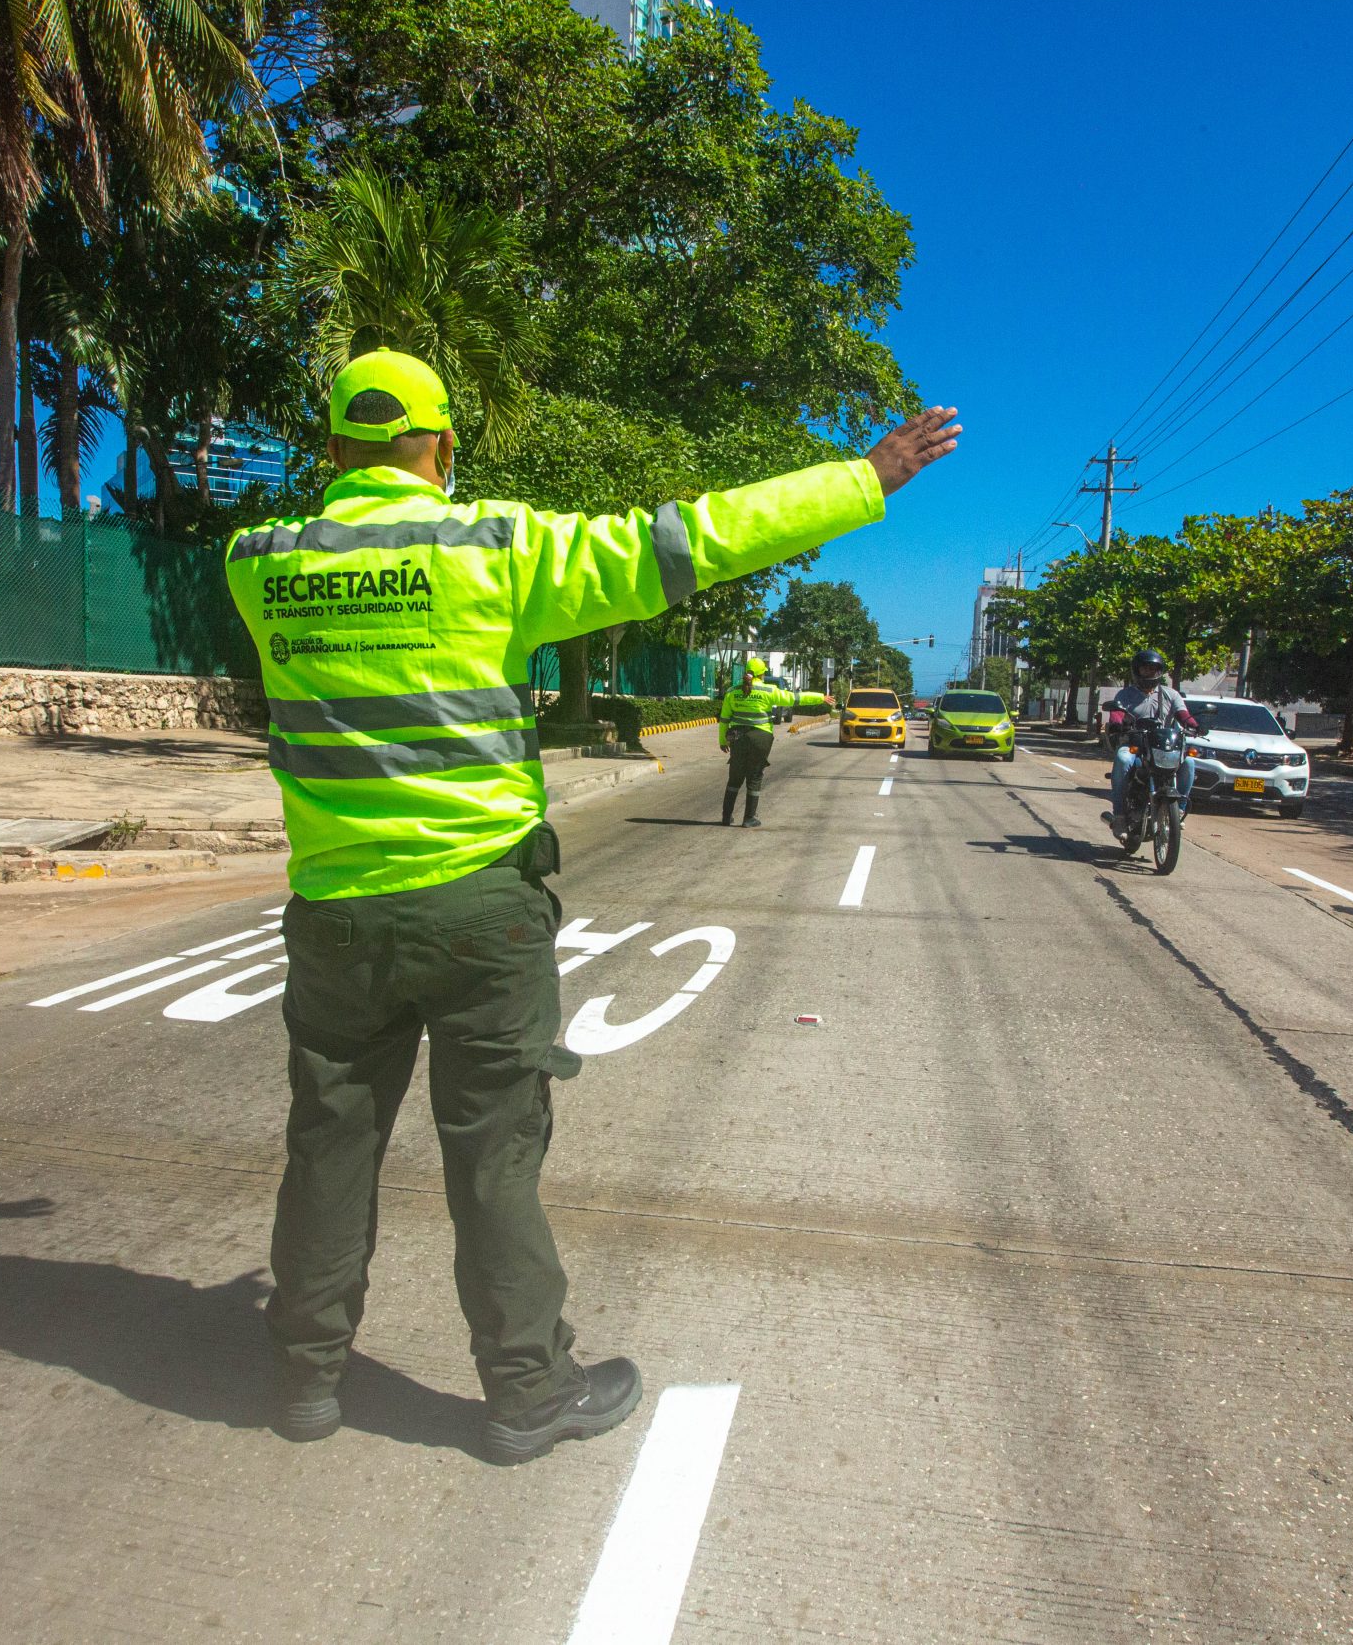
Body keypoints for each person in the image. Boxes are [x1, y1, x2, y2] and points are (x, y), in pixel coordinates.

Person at [222, 348, 959, 1461]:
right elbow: (691, 539)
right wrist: (862, 477)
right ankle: (525, 1392)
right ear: (444, 447)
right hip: (477, 909)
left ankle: (304, 1379)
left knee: (329, 1144)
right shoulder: (497, 550)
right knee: (492, 1155)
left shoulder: (258, 561)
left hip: (334, 914)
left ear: (332, 451)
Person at [1110, 649, 1198, 836]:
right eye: (1145, 669)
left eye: (1153, 669)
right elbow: (1116, 714)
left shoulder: (1171, 695)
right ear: (1137, 670)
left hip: (1162, 746)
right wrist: (1118, 723)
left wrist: (1195, 725)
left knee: (1189, 761)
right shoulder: (1125, 695)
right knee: (1123, 759)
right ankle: (1118, 815)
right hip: (1135, 744)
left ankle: (1180, 809)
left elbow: (1184, 715)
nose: (1149, 672)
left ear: (1160, 671)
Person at [718, 657, 786, 826]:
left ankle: (726, 817)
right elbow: (795, 698)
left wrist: (722, 741)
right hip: (760, 738)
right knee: (754, 777)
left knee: (734, 778)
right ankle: (749, 818)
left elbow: (724, 719)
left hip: (737, 738)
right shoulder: (769, 691)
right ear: (762, 674)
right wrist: (821, 697)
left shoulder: (732, 691)